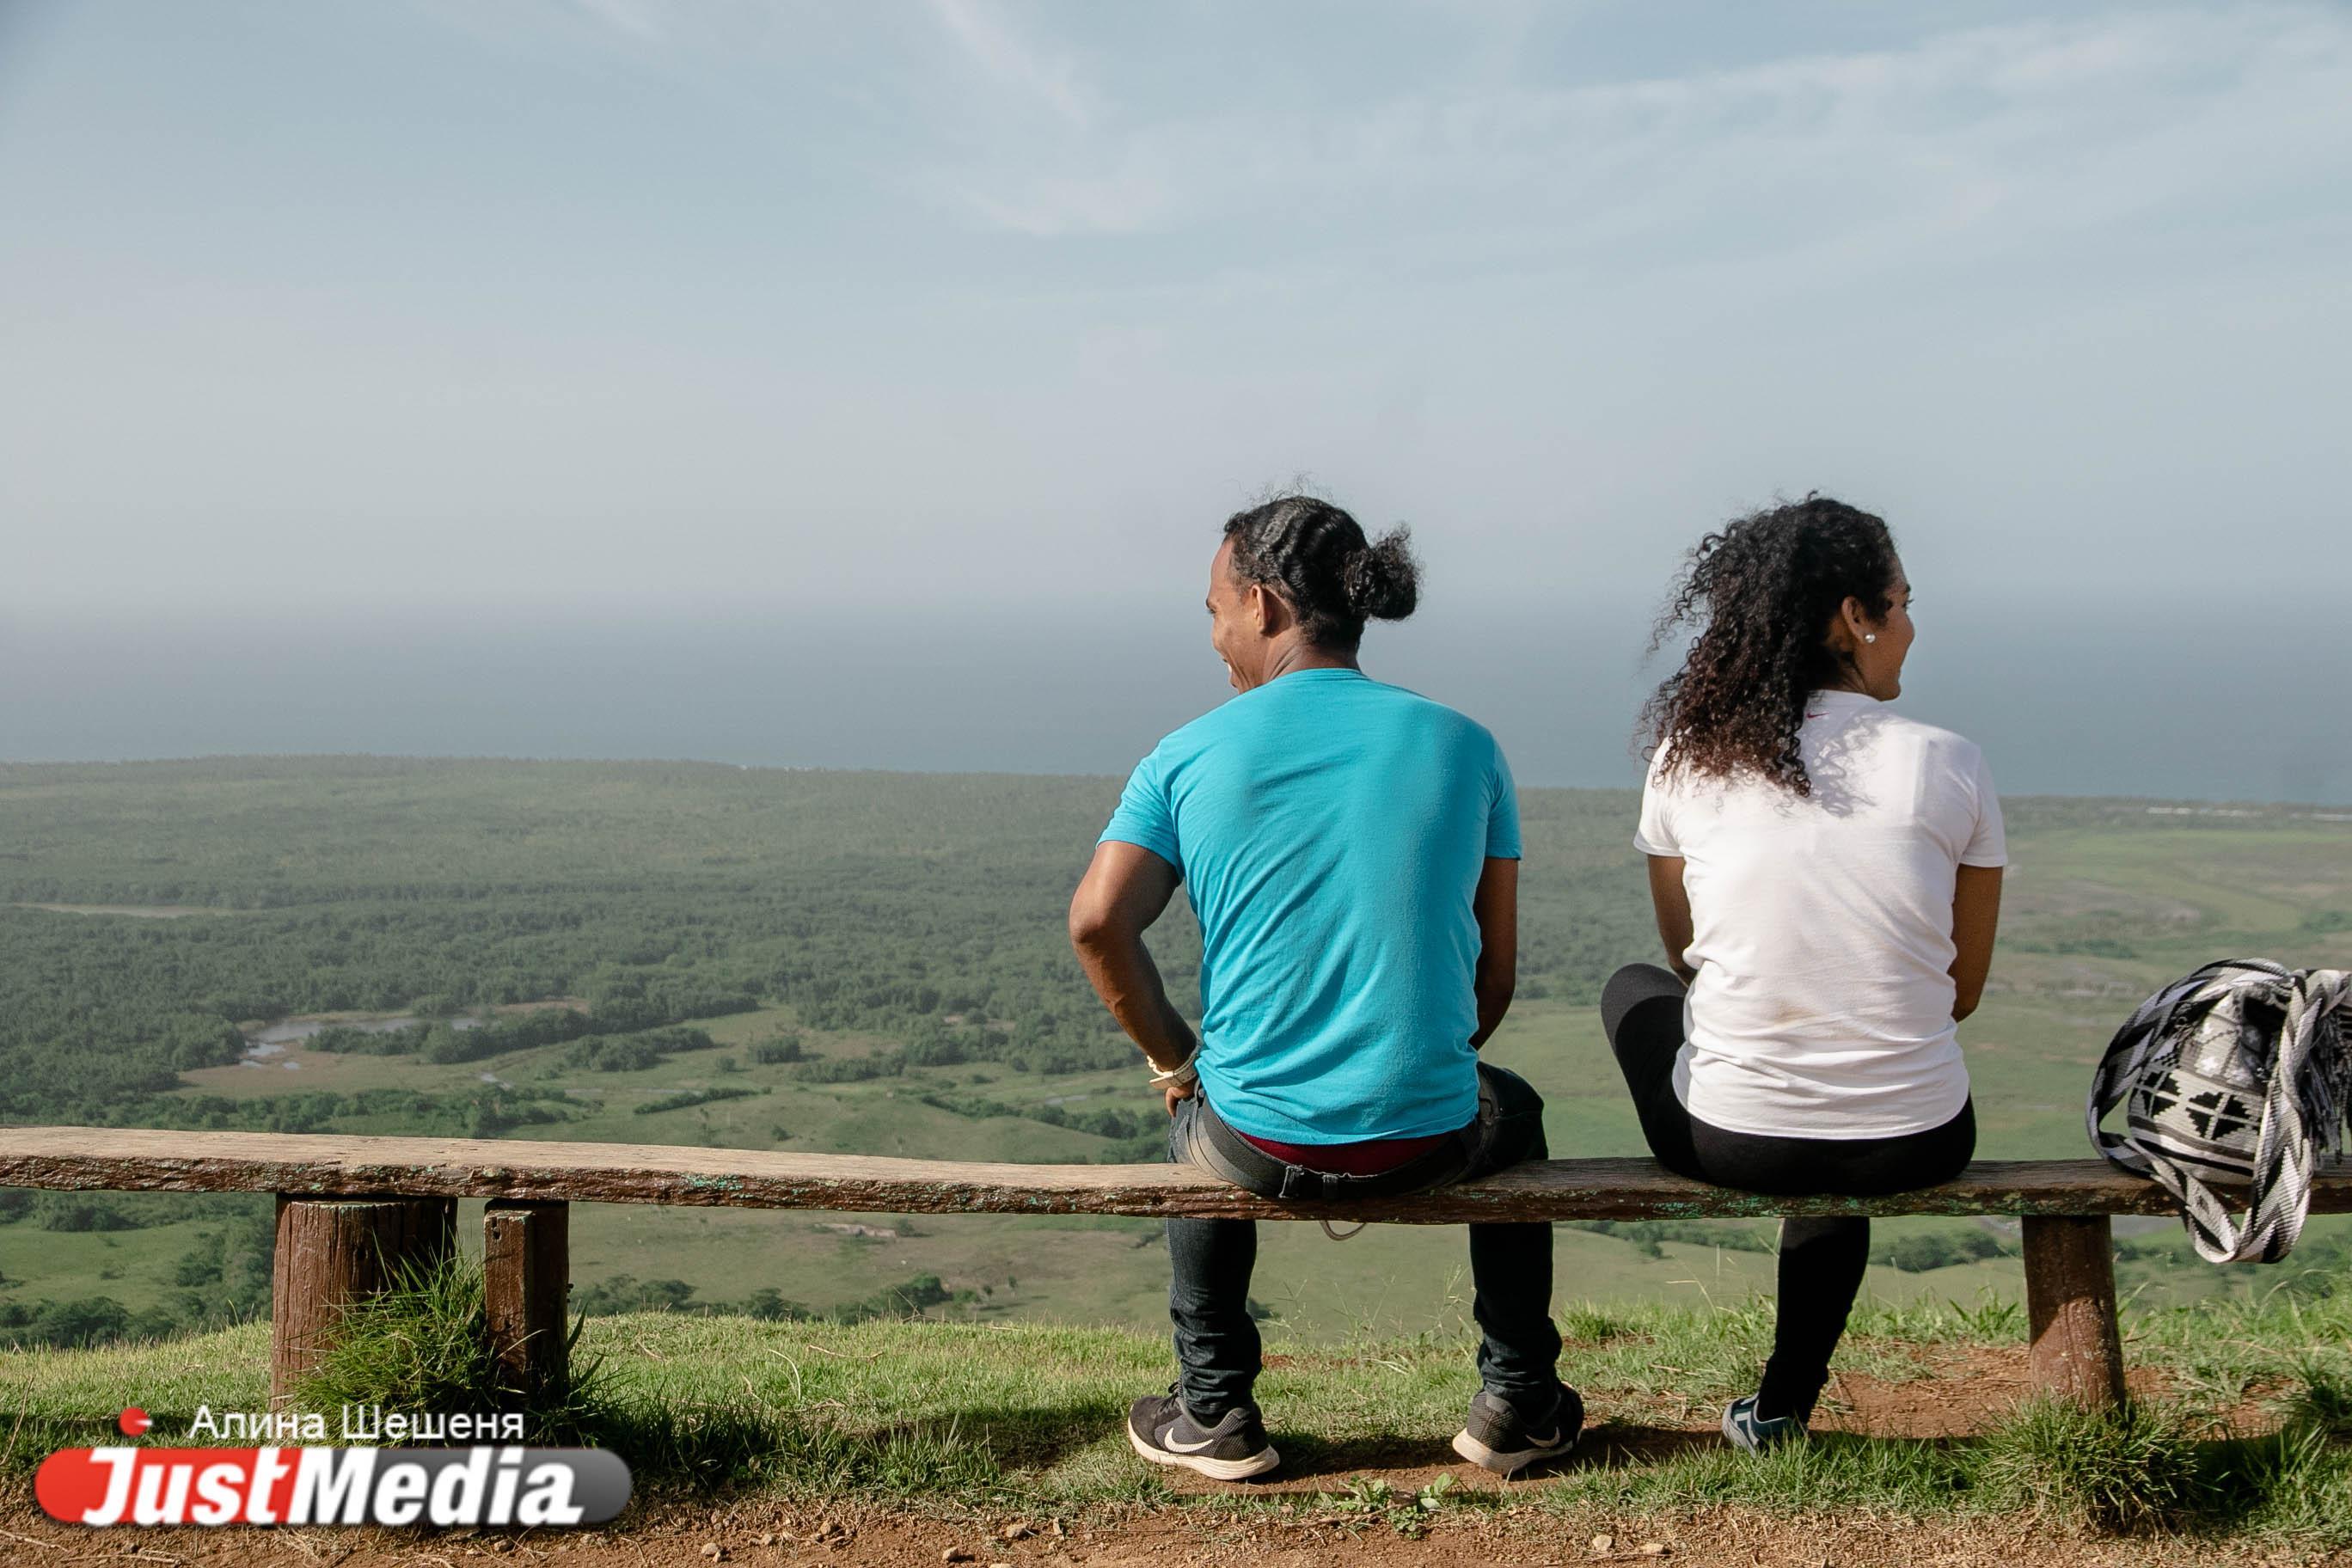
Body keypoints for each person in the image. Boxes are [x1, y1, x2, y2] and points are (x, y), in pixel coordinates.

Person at [1068, 495, 1574, 1482]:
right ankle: (1517, 1400)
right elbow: (1494, 975)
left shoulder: (1185, 756)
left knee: (1192, 1121)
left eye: (1215, 610)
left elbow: (1097, 922)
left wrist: (1178, 1062)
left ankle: (1215, 1409)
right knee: (1514, 1113)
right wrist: (1421, 1065)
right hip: (1434, 1135)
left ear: (1260, 605)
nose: (1214, 635)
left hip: (1255, 1146)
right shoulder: (1467, 745)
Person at [1608, 495, 2005, 1452]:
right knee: (1846, 1117)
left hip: (1734, 1141)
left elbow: (1682, 956)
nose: (1910, 625)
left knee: (1632, 991)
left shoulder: (1686, 762)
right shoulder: (1952, 764)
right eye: (1901, 602)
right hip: (1920, 1135)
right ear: (1853, 617)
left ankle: (1776, 1413)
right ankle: (1782, 1408)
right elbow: (1962, 990)